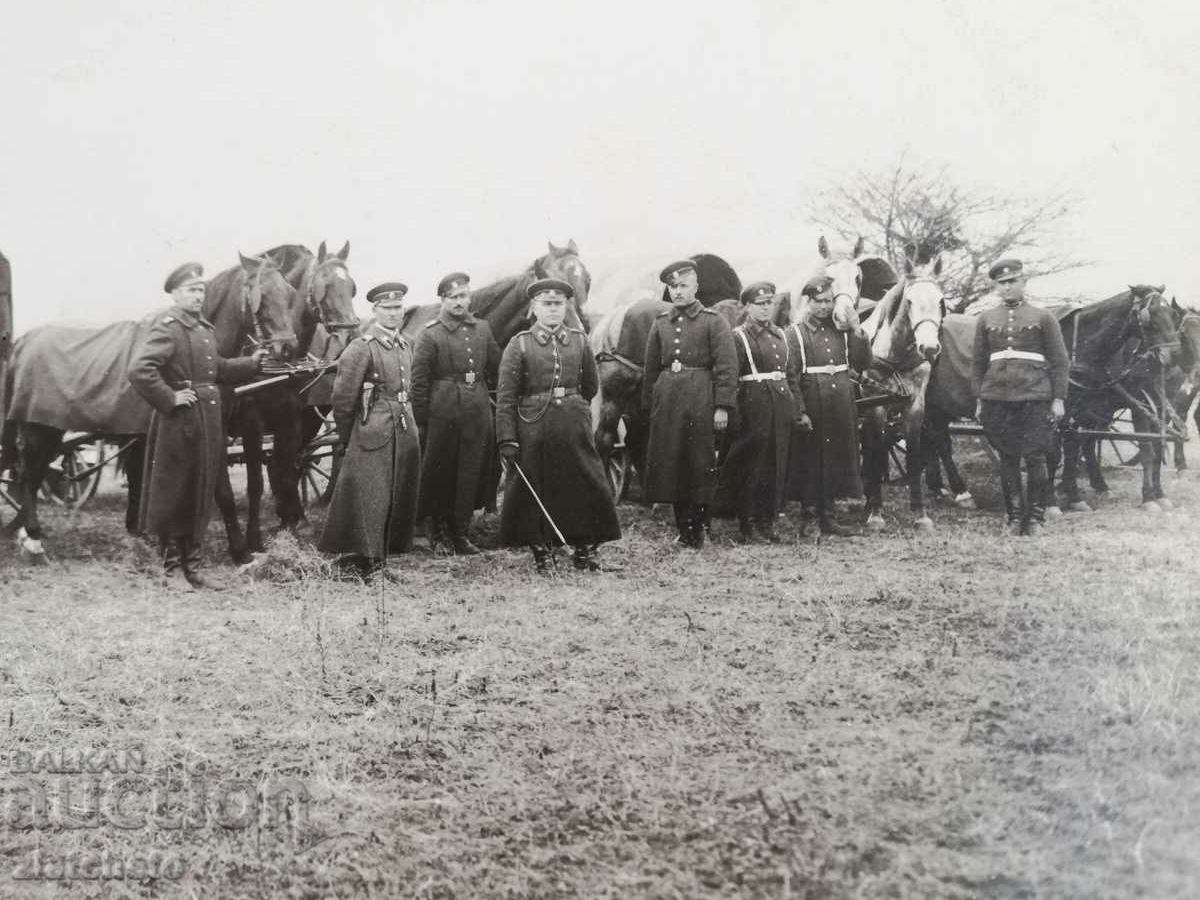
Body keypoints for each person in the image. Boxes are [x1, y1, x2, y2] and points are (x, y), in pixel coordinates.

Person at [128, 262, 265, 592]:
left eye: (201, 289)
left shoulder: (204, 329)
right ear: (175, 294)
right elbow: (139, 369)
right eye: (191, 290)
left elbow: (217, 369)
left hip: (207, 421)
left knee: (201, 491)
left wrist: (251, 363)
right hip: (179, 422)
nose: (198, 295)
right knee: (177, 492)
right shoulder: (168, 326)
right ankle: (172, 567)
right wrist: (170, 397)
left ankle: (194, 566)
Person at [495, 278, 621, 574]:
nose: (553, 309)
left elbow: (590, 385)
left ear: (566, 307)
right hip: (534, 427)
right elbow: (506, 397)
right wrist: (507, 438)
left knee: (585, 482)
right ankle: (542, 551)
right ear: (534, 307)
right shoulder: (520, 344)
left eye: (558, 304)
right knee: (536, 487)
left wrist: (576, 412)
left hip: (573, 426)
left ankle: (584, 549)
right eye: (546, 304)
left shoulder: (579, 340)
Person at [318, 282, 422, 577]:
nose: (393, 313)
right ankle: (367, 560)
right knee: (373, 495)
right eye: (387, 308)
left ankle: (382, 557)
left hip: (403, 426)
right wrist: (350, 435)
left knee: (396, 492)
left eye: (397, 308)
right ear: (375, 311)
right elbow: (343, 398)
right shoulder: (362, 347)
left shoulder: (406, 344)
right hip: (373, 430)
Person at [641, 259, 738, 548]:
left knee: (699, 462)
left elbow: (727, 366)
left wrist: (722, 406)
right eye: (673, 287)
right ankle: (684, 528)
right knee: (672, 462)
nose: (678, 291)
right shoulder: (660, 323)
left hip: (700, 398)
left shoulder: (713, 321)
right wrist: (650, 406)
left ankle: (700, 525)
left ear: (696, 287)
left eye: (684, 285)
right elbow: (650, 369)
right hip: (668, 401)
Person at [972, 259, 1069, 536]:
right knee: (1008, 457)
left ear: (1023, 282)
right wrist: (979, 399)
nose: (1007, 287)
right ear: (996, 286)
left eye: (1012, 281)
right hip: (997, 398)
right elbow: (978, 363)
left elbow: (1060, 361)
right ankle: (1014, 518)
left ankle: (1035, 519)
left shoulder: (1043, 317)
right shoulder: (986, 319)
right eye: (1002, 283)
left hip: (1035, 397)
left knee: (1036, 457)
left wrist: (1058, 399)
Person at [411, 272, 501, 555]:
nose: (460, 302)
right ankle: (438, 534)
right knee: (442, 472)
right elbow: (419, 382)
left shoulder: (482, 329)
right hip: (443, 412)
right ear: (443, 300)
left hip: (477, 411)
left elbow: (498, 367)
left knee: (471, 471)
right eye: (453, 297)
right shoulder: (430, 333)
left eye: (464, 296)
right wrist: (422, 421)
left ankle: (460, 532)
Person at [716, 282, 808, 542]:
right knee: (752, 466)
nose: (766, 308)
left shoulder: (781, 335)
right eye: (759, 304)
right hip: (753, 406)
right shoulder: (738, 336)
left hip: (781, 407)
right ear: (747, 306)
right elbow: (730, 377)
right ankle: (747, 523)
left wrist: (798, 410)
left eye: (769, 303)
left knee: (776, 466)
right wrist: (732, 412)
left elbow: (791, 377)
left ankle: (767, 521)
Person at [785, 274, 872, 536]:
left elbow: (863, 363)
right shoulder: (795, 333)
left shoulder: (842, 332)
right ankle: (810, 516)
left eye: (828, 301)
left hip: (841, 403)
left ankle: (829, 516)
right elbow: (791, 376)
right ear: (808, 302)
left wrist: (857, 331)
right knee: (811, 459)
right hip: (813, 402)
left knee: (836, 457)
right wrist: (800, 411)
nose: (824, 306)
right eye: (819, 301)